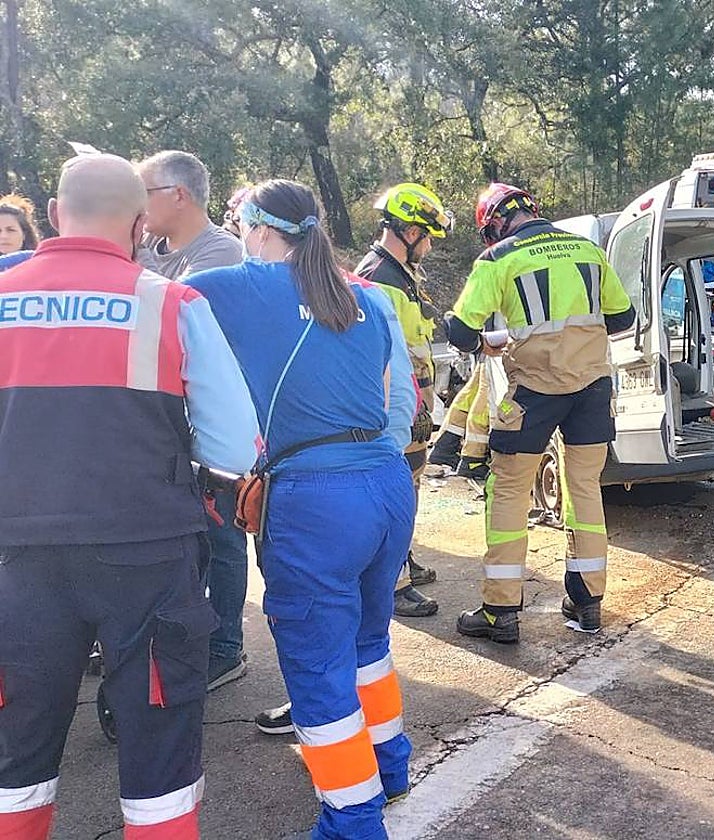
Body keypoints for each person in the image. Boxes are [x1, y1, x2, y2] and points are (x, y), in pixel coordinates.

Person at [0, 153, 258, 839]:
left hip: (16, 560)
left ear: (53, 214)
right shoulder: (173, 303)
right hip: (147, 555)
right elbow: (235, 448)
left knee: (16, 758)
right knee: (159, 764)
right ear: (142, 224)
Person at [184, 179, 417, 839]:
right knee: (368, 642)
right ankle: (389, 765)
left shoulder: (241, 285)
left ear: (258, 229)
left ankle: (352, 821)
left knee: (317, 668)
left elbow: (156, 303)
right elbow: (396, 399)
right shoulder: (365, 296)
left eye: (238, 226)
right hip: (386, 482)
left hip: (316, 499)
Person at [446, 183, 634, 643]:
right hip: (592, 387)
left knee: (509, 492)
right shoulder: (588, 250)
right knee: (585, 489)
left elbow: (459, 331)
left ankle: (500, 612)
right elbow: (622, 318)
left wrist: (489, 341)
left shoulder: (498, 258)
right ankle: (587, 603)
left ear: (495, 223)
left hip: (533, 390)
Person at [135, 150, 251, 692]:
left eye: (144, 193)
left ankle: (225, 646)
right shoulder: (148, 248)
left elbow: (167, 318)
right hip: (160, 423)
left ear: (178, 195)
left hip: (207, 424)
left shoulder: (220, 252)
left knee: (222, 537)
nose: (138, 206)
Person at [353, 183, 451, 618]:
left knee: (408, 488)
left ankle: (401, 562)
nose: (429, 247)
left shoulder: (401, 275)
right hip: (398, 407)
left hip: (413, 403)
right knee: (395, 493)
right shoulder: (379, 279)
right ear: (410, 233)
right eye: (427, 237)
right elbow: (384, 357)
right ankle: (392, 586)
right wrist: (408, 407)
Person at [135, 151, 244, 278]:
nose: (137, 202)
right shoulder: (149, 238)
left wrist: (138, 249)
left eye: (144, 193)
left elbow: (172, 292)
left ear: (179, 196)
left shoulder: (223, 250)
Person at [428, 360, 492, 480]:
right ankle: (473, 459)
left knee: (476, 388)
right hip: (497, 352)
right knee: (487, 392)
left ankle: (445, 446)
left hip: (489, 353)